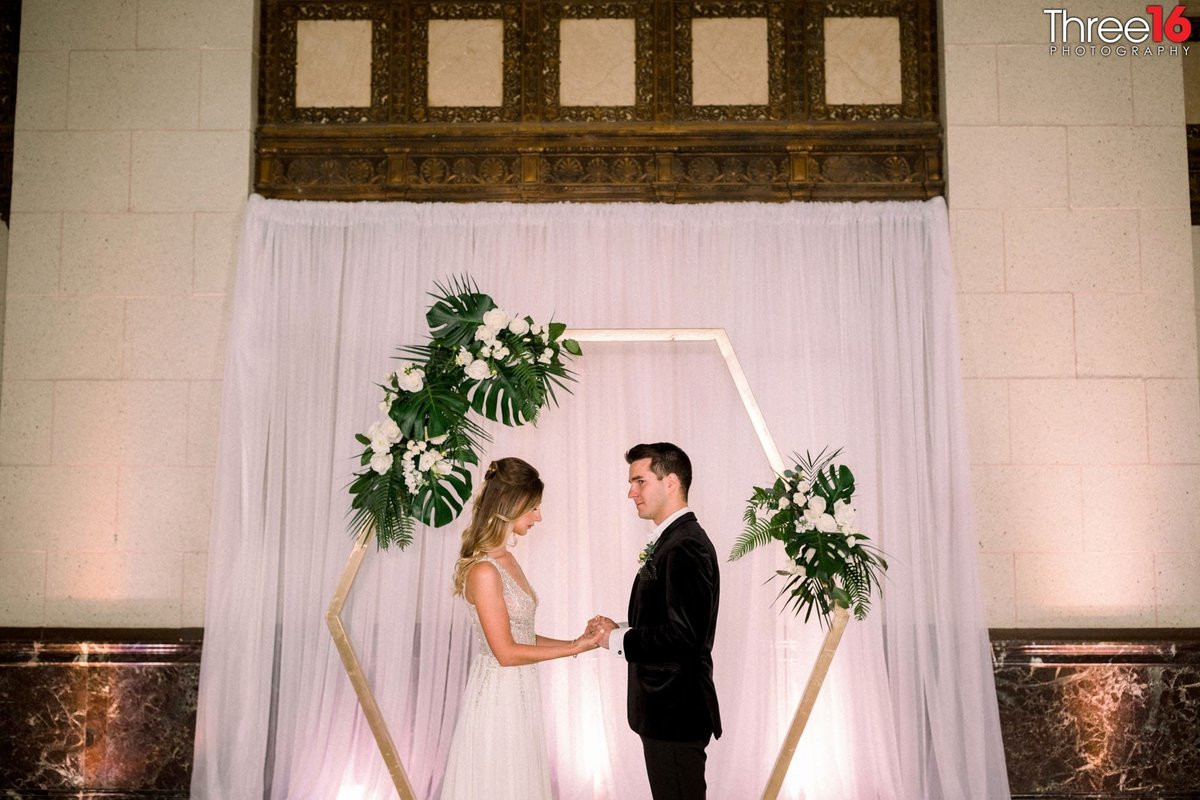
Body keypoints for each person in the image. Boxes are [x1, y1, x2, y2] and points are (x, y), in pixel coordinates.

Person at [440, 457, 602, 800]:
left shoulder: (506, 560)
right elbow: (506, 652)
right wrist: (576, 649)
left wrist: (578, 640)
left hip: (519, 691)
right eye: (534, 507)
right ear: (511, 506)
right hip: (498, 697)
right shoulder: (484, 571)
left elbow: (522, 635)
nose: (539, 517)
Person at [592, 442, 722, 799]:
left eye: (639, 481)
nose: (630, 492)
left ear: (671, 482)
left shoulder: (685, 546)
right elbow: (671, 619)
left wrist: (616, 641)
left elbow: (683, 637)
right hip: (667, 712)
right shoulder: (675, 540)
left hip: (675, 712)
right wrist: (619, 628)